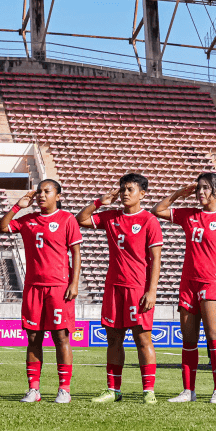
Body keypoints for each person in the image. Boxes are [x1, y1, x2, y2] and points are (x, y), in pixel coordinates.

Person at [77, 173, 163, 405]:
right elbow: (80, 220)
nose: (125, 193)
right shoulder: (111, 216)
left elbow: (156, 259)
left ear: (142, 194)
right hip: (114, 288)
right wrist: (99, 202)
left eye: (130, 189)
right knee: (113, 340)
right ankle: (113, 389)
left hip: (138, 289)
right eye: (122, 189)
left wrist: (151, 290)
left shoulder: (149, 221)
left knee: (143, 339)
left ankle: (148, 391)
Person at [154, 172, 216, 403]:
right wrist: (180, 193)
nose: (201, 192)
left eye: (206, 188)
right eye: (199, 188)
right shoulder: (189, 215)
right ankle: (188, 390)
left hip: (212, 283)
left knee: (214, 337)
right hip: (188, 282)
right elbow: (158, 210)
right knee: (188, 340)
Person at [1, 180, 82, 403]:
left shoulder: (67, 219)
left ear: (58, 195)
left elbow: (76, 253)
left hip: (58, 287)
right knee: (33, 337)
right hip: (33, 287)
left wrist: (74, 283)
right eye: (39, 192)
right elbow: (3, 226)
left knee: (60, 336)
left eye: (47, 191)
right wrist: (18, 206)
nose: (41, 195)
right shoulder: (28, 220)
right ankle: (33, 389)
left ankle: (64, 388)